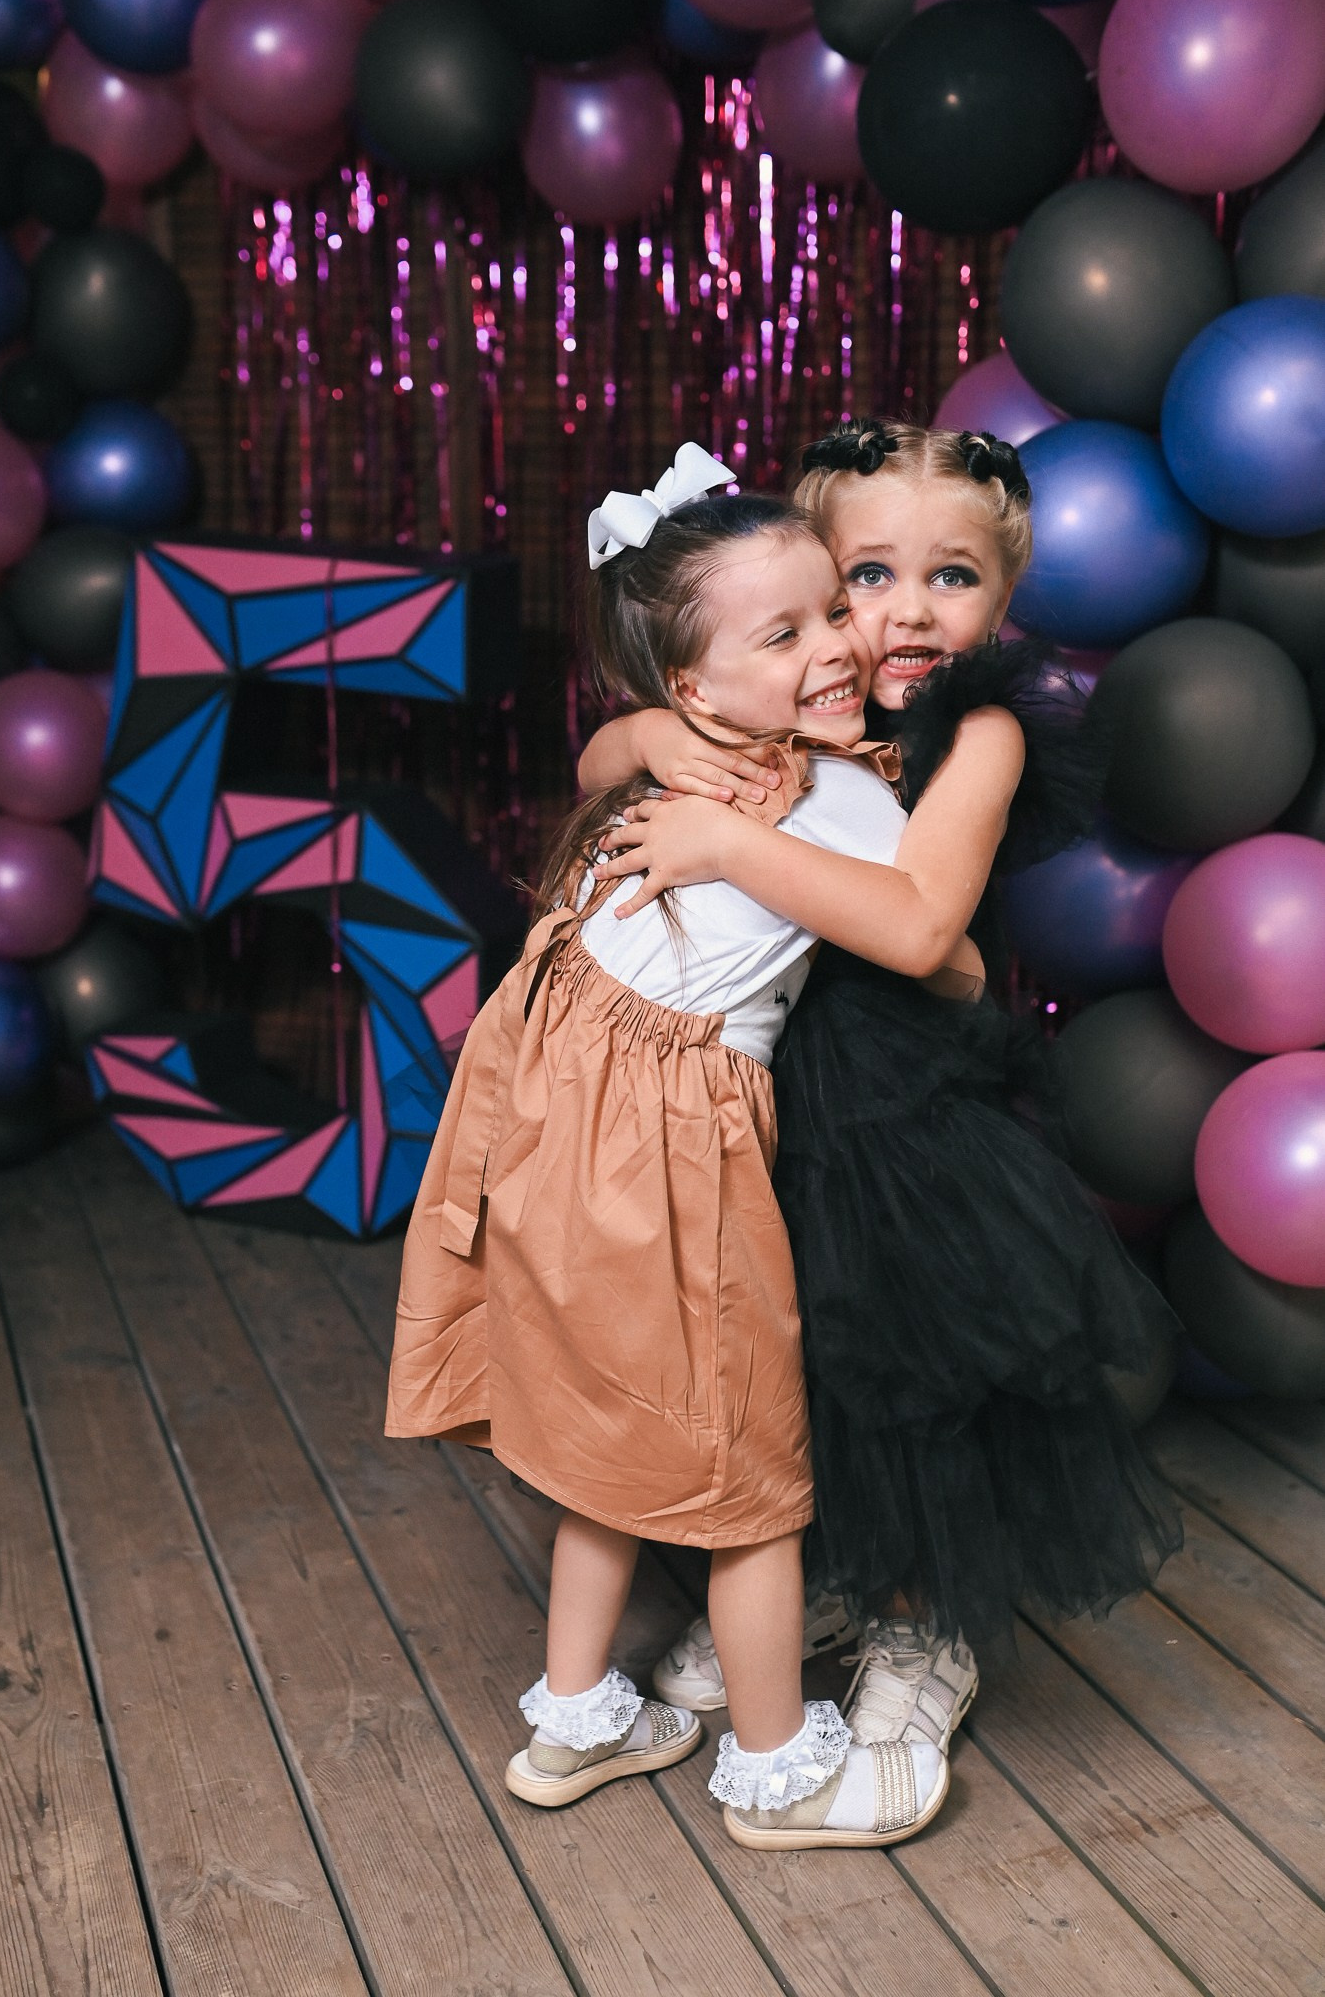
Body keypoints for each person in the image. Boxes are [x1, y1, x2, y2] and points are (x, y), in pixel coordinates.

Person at [584, 417, 1182, 1763]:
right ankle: (830, 1578)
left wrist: (724, 839)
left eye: (952, 577)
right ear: (813, 580)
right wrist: (645, 737)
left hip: (906, 1111)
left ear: (1005, 600)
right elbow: (596, 769)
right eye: (869, 576)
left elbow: (920, 938)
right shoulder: (785, 691)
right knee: (791, 1362)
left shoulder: (982, 733)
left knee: (906, 1373)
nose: (906, 613)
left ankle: (924, 1626)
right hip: (755, 1089)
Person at [388, 442, 957, 1851]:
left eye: (835, 609)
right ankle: (780, 1774)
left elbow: (600, 754)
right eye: (789, 633)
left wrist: (643, 738)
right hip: (660, 1130)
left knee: (613, 1429)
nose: (840, 645)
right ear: (696, 691)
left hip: (543, 1098)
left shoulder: (688, 746)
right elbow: (921, 938)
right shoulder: (836, 795)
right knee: (739, 1458)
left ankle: (575, 1720)